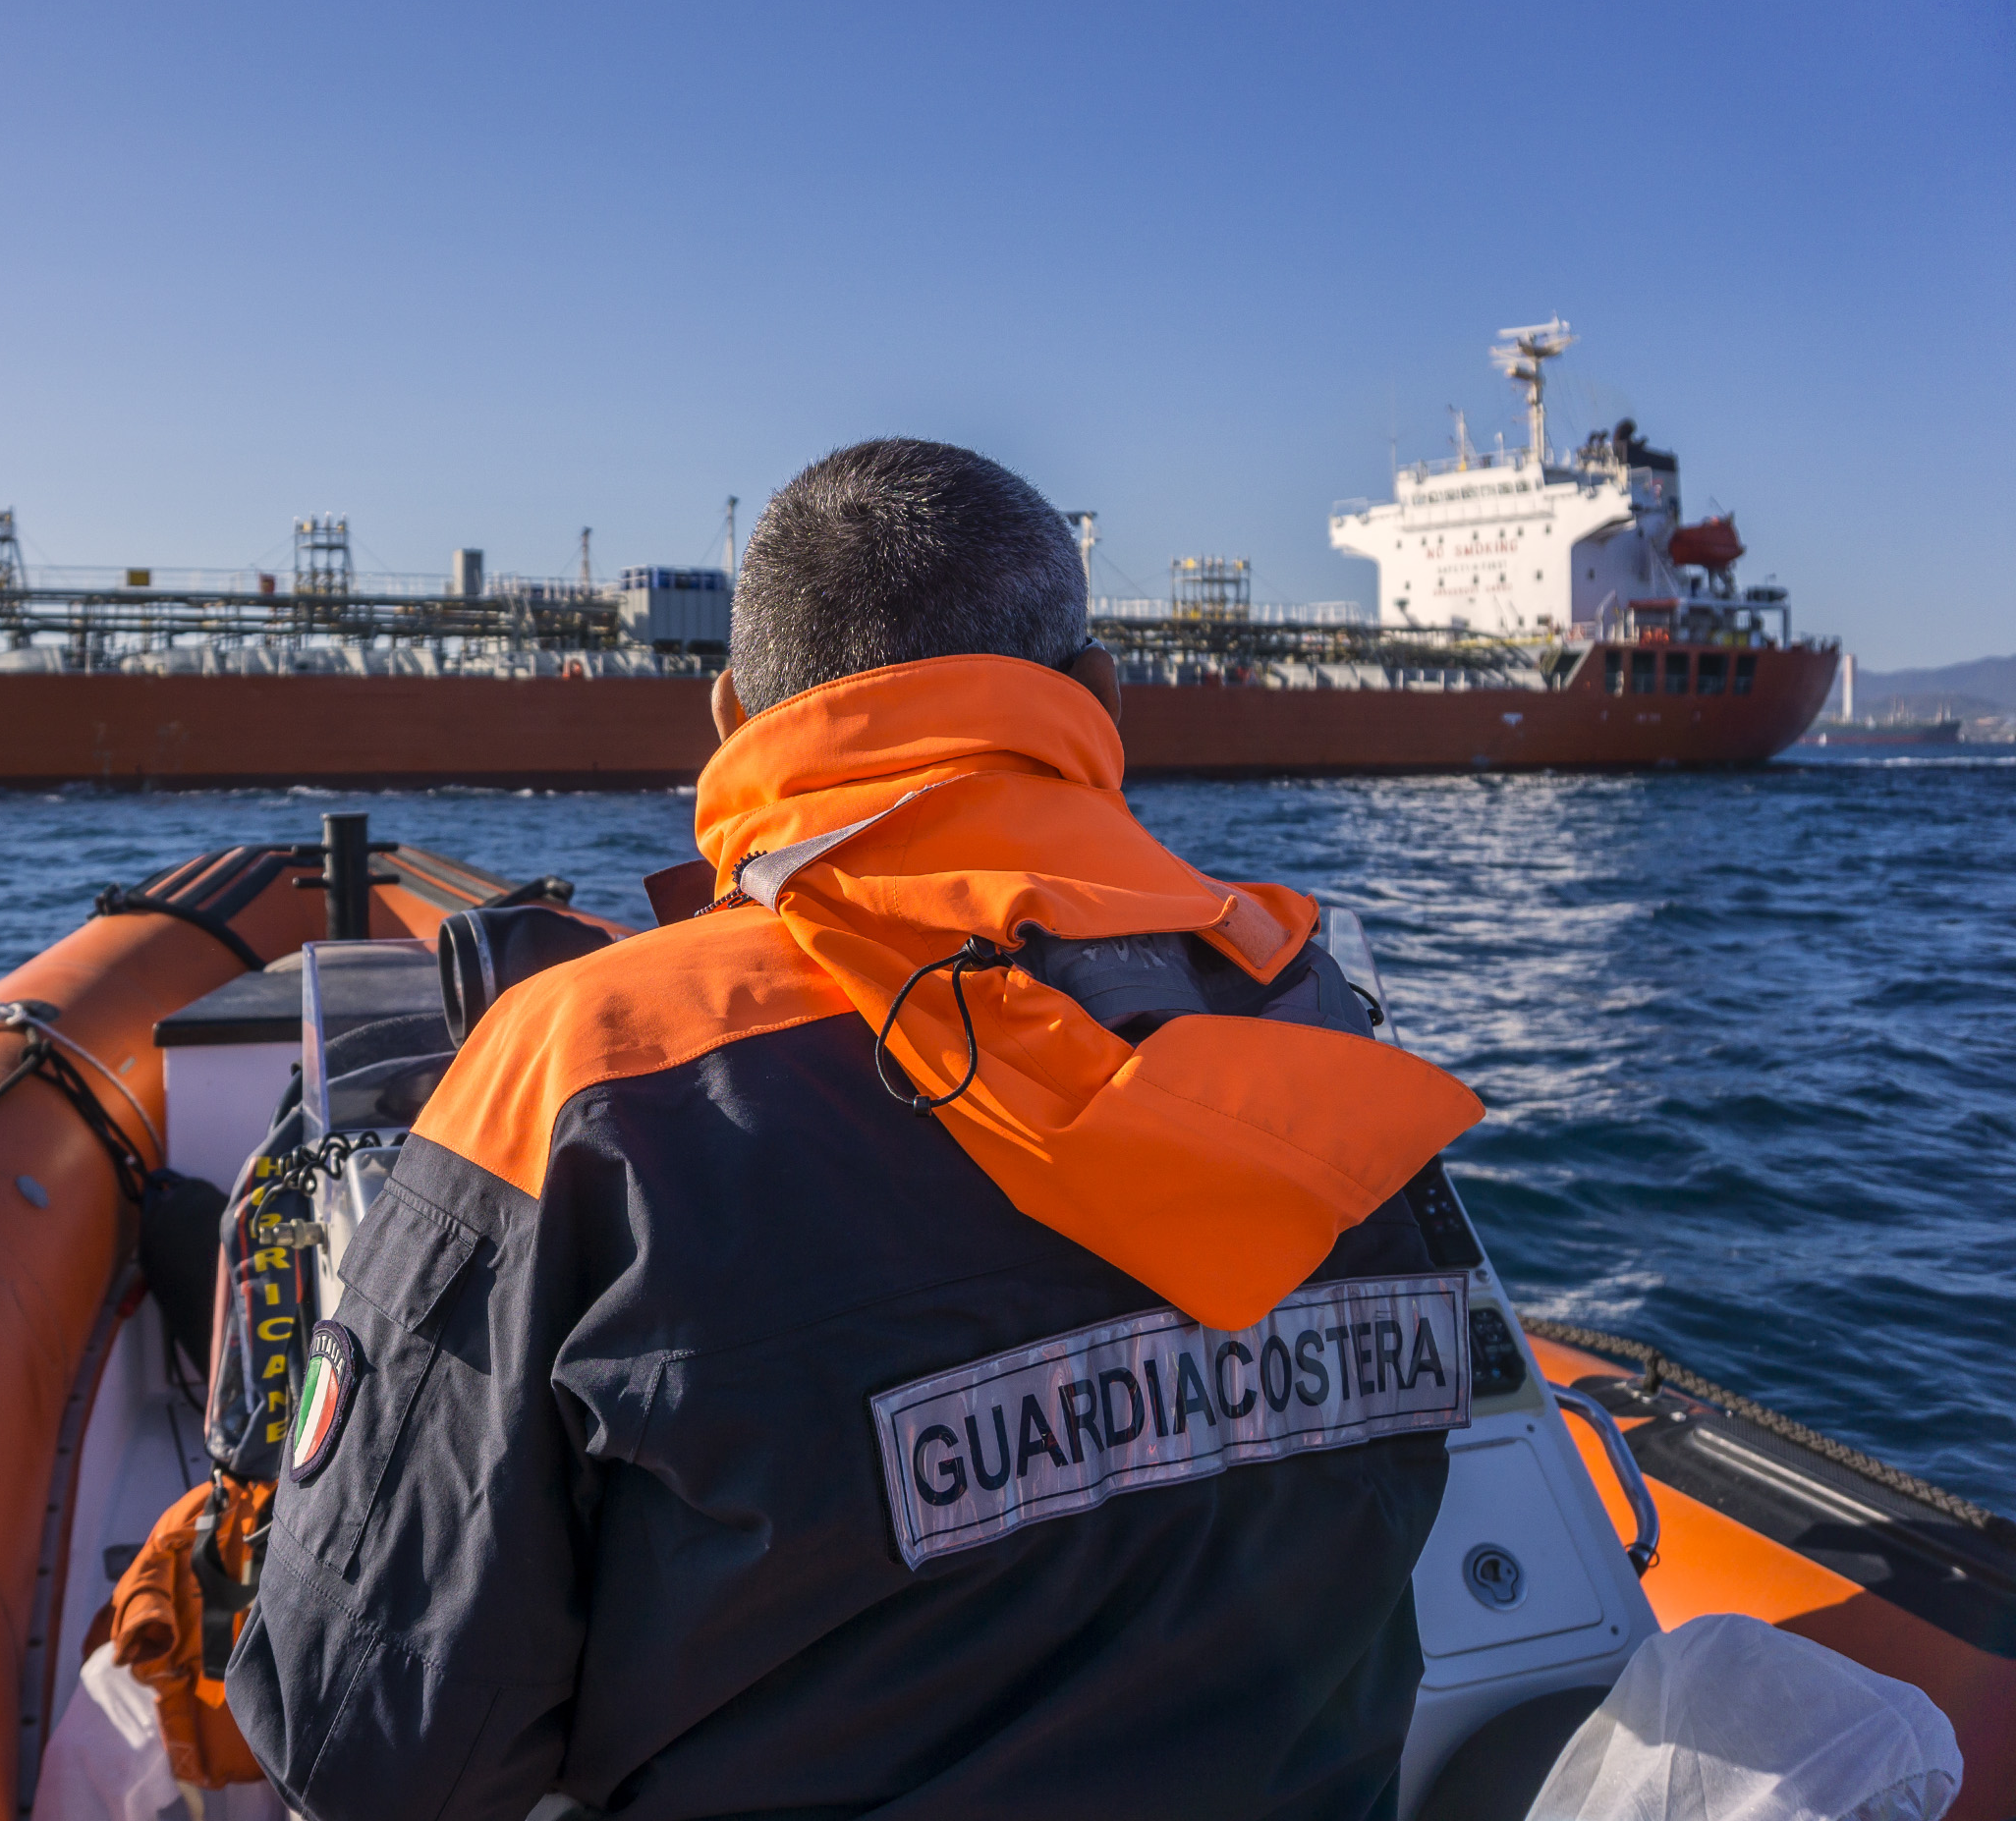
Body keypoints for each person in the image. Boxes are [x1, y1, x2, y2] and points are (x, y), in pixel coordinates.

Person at [229, 438, 1485, 1820]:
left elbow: (363, 1740)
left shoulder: (584, 1066)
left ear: (726, 717)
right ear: (1103, 697)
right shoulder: (1319, 1012)